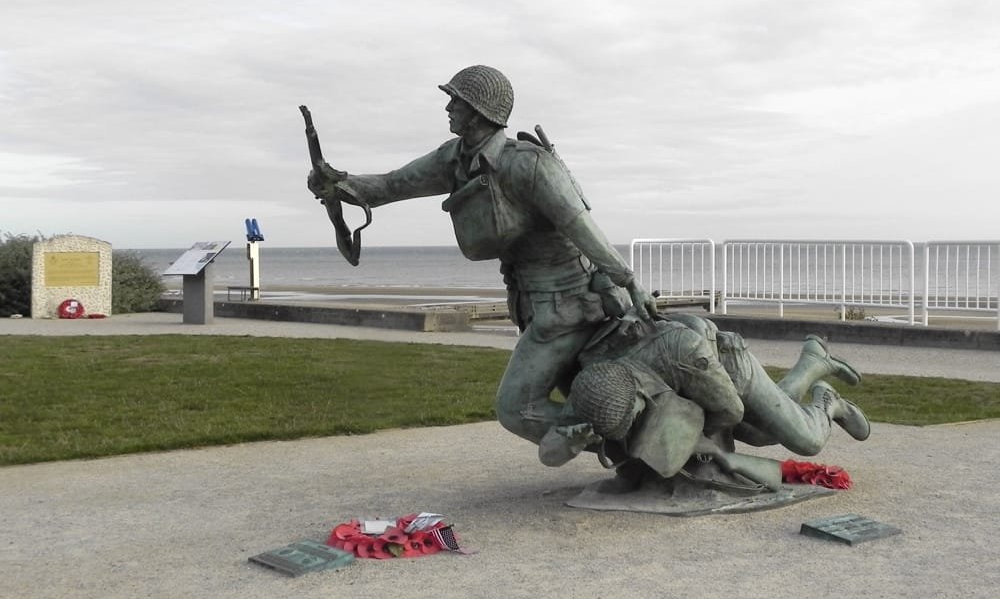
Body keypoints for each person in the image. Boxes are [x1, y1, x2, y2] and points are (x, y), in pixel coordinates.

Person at [306, 65, 658, 445]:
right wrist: (338, 183)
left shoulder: (529, 164)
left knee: (517, 408)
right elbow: (390, 185)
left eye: (455, 100)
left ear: (478, 111)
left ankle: (644, 446)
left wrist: (629, 281)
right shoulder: (454, 159)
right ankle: (635, 447)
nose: (448, 108)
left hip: (570, 306)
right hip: (533, 308)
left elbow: (581, 228)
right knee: (566, 400)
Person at [538, 314, 870, 483]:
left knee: (804, 440)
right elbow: (548, 453)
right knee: (762, 433)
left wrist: (692, 443)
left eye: (635, 420)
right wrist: (569, 442)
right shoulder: (594, 389)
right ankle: (813, 361)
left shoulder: (679, 350)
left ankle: (826, 401)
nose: (633, 428)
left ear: (641, 392)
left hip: (726, 368)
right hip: (686, 392)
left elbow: (731, 410)